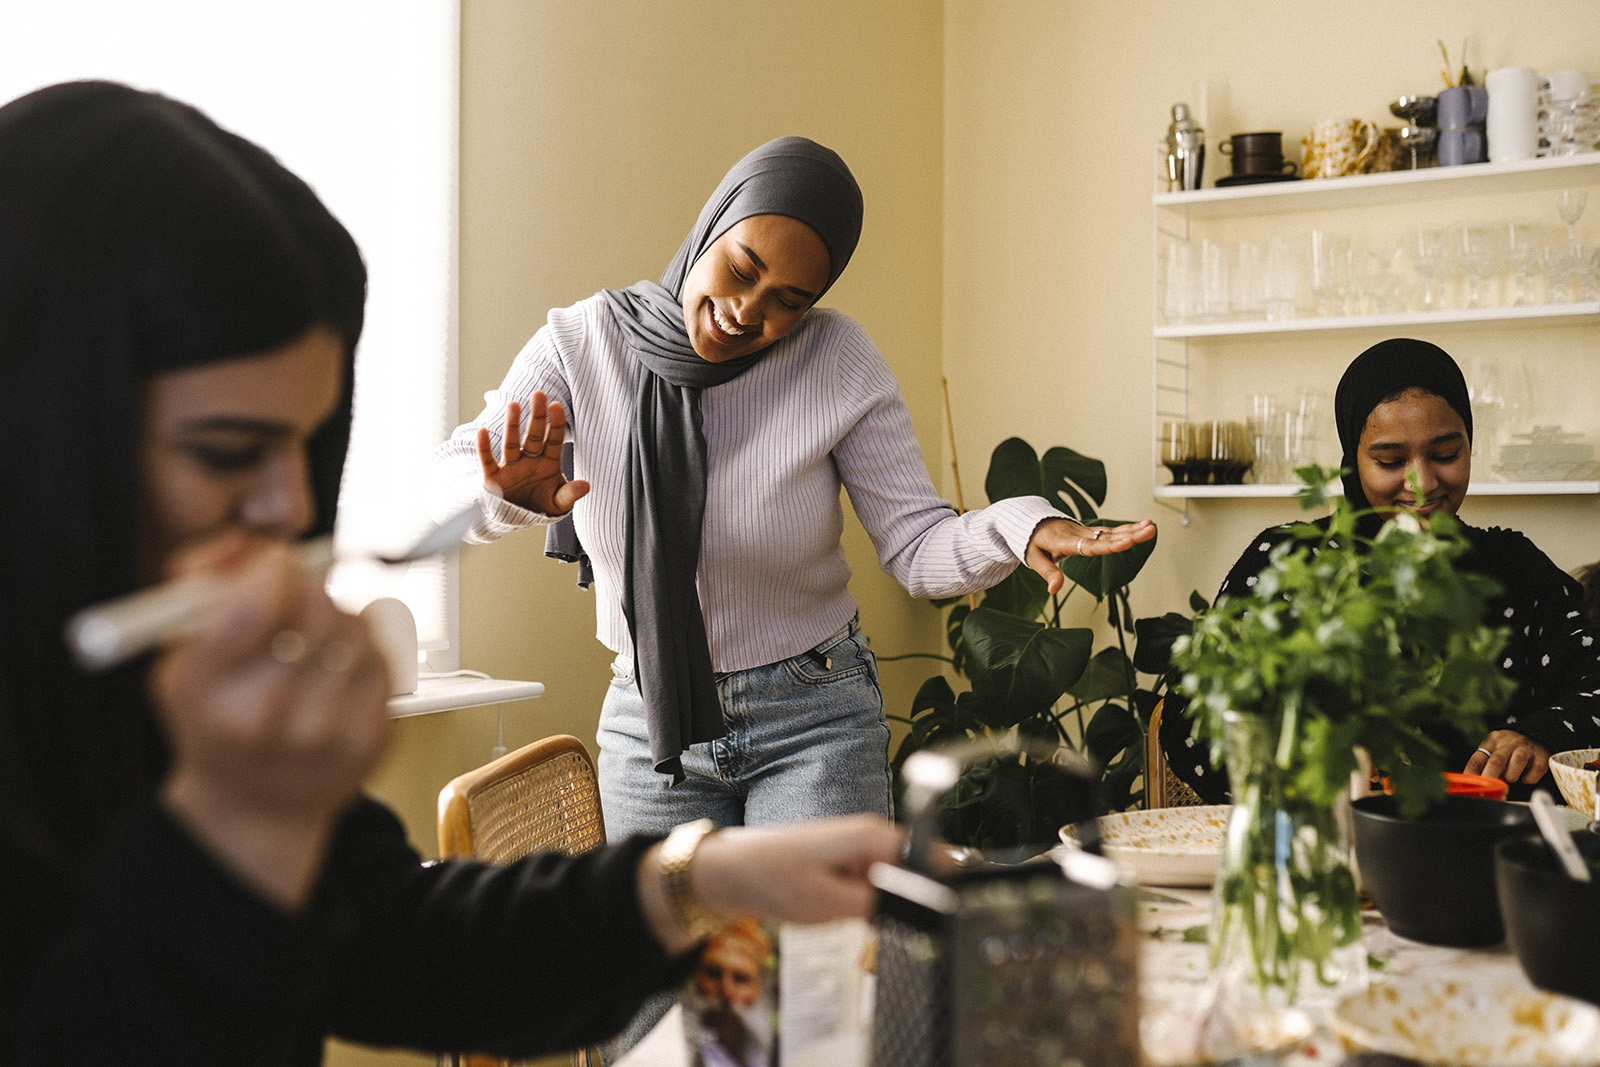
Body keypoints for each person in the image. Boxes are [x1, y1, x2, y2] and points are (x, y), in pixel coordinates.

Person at [0, 80, 906, 1066]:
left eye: (306, 452)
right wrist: (244, 832)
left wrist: (705, 879)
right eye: (226, 452)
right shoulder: (588, 340)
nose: (291, 513)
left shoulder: (164, 691)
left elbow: (397, 941)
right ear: (42, 418)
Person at [426, 136, 1157, 845]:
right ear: (711, 226)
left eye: (789, 299)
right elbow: (444, 480)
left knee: (821, 966)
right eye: (741, 269)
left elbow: (916, 546)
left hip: (816, 715)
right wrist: (501, 493)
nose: (748, 310)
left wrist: (1019, 526)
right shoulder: (584, 344)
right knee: (665, 969)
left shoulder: (835, 358)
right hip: (653, 719)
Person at [1159, 337, 1600, 804]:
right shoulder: (1287, 560)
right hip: (1323, 843)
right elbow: (1191, 716)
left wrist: (1540, 736)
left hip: (1484, 855)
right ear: (1353, 461)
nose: (1423, 483)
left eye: (1446, 454)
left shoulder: (1515, 569)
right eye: (1390, 461)